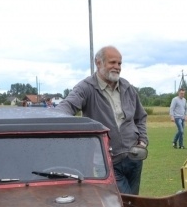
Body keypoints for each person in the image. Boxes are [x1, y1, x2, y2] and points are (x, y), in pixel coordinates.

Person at [56, 45, 149, 194]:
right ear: (98, 63)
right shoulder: (86, 88)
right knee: (122, 203)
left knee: (134, 203)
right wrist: (52, 119)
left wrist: (143, 141)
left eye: (119, 63)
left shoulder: (127, 87)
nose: (117, 67)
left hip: (134, 157)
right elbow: (66, 106)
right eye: (112, 62)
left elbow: (141, 117)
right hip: (107, 160)